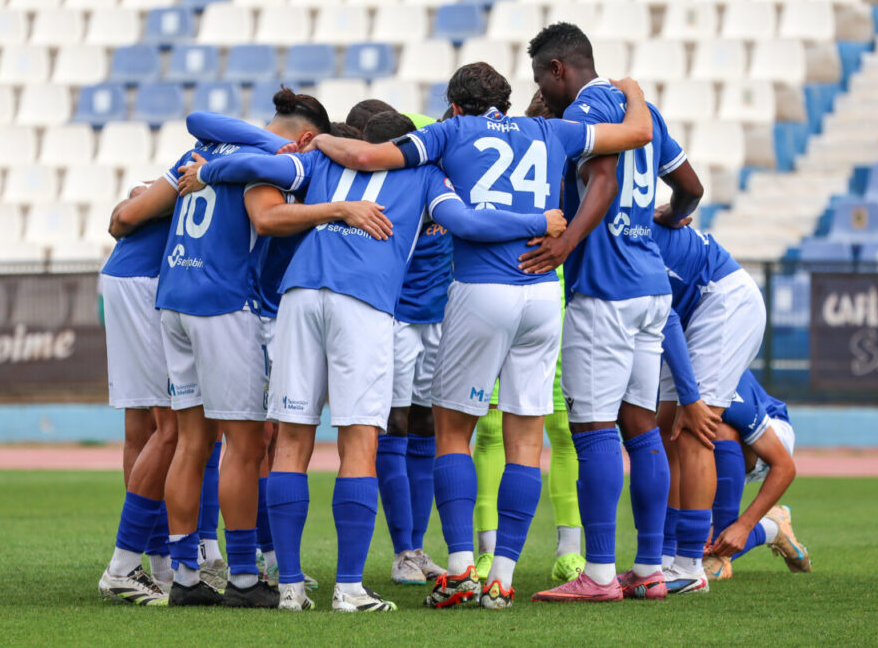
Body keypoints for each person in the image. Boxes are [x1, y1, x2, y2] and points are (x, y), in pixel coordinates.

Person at [176, 111, 568, 612]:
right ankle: (349, 589)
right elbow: (467, 223)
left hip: (298, 296)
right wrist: (540, 222)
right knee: (358, 442)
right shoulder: (426, 175)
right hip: (363, 303)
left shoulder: (321, 162)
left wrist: (207, 171)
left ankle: (290, 588)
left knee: (291, 440)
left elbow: (255, 164)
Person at [307, 62, 654, 609]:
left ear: (454, 105)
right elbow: (638, 133)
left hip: (481, 289)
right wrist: (632, 89)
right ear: (507, 102)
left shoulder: (451, 131)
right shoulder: (552, 130)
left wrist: (321, 139)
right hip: (543, 294)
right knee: (526, 441)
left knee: (452, 433)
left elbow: (368, 156)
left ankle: (462, 570)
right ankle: (504, 579)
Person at [109, 88, 359, 608]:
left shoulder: (204, 148)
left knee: (190, 440)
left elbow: (197, 117)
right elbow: (266, 219)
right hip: (223, 304)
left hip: (174, 298)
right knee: (245, 446)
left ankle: (184, 575)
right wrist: (335, 208)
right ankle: (245, 578)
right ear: (307, 138)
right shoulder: (272, 164)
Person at [526, 22, 708, 604]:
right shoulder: (642, 111)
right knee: (640, 427)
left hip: (606, 291)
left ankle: (600, 574)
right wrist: (670, 215)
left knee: (592, 429)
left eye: (540, 79)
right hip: (651, 287)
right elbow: (691, 186)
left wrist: (566, 242)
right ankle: (650, 567)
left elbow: (601, 179)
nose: (541, 92)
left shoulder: (584, 111)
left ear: (558, 69)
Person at [472, 92, 585, 586]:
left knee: (560, 426)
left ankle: (568, 552)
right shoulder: (521, 146)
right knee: (494, 427)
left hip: (552, 290)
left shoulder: (579, 162)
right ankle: (489, 552)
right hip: (510, 281)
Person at [652, 221, 767, 594]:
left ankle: (689, 565)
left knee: (693, 430)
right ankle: (665, 556)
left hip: (721, 301)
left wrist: (690, 397)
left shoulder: (622, 231)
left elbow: (666, 313)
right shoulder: (612, 223)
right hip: (690, 312)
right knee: (666, 429)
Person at [358, 110, 448, 587]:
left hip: (440, 317)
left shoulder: (437, 178)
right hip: (397, 319)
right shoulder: (378, 194)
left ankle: (417, 547)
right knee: (394, 425)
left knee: (426, 425)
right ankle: (403, 552)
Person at [96, 182, 178, 606]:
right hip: (147, 282)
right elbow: (123, 216)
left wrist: (145, 195)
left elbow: (124, 213)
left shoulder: (203, 161)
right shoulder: (224, 160)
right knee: (173, 428)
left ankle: (160, 564)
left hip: (128, 276)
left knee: (143, 425)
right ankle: (127, 566)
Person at [697, 371, 809, 580]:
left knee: (719, 427)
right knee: (681, 542)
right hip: (708, 448)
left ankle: (720, 558)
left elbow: (784, 467)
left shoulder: (725, 379)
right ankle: (772, 527)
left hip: (770, 432)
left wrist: (744, 526)